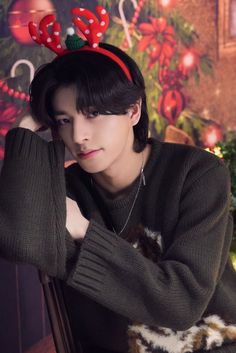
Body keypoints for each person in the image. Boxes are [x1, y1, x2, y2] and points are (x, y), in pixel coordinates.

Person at [0, 5, 236, 353]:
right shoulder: (68, 190)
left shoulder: (197, 174)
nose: (78, 135)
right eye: (63, 120)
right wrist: (23, 129)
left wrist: (82, 228)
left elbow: (181, 304)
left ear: (133, 110)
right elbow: (17, 241)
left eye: (93, 114)